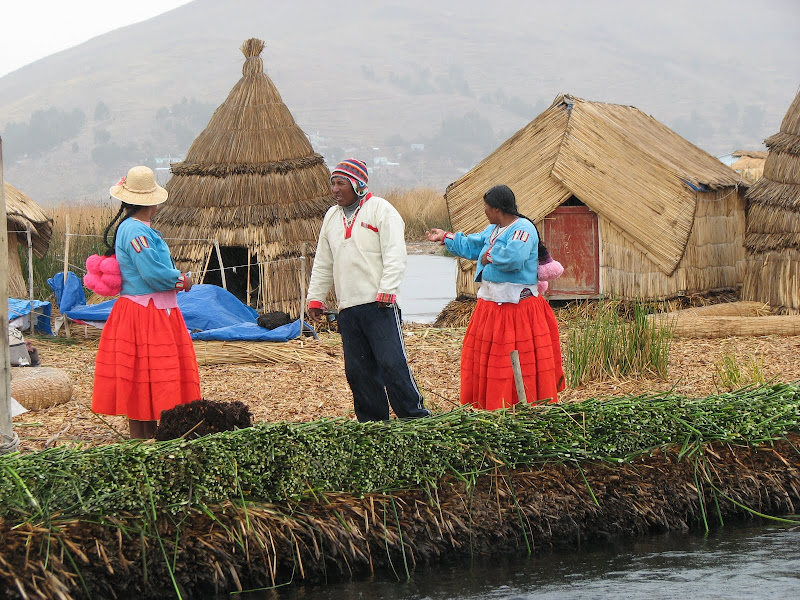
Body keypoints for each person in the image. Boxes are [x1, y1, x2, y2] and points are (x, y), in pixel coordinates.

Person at [307, 158, 430, 422]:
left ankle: (414, 417)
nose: (335, 189)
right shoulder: (331, 217)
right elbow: (323, 261)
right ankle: (373, 424)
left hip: (379, 305)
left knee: (391, 364)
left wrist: (388, 289)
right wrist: (315, 298)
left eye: (341, 183)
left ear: (358, 185)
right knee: (358, 371)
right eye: (333, 183)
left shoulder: (381, 210)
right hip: (348, 309)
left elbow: (395, 253)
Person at [426, 184, 565, 410]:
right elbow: (473, 245)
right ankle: (492, 404)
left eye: (486, 208)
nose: (485, 212)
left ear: (497, 209)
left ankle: (523, 403)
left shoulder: (523, 229)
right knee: (491, 360)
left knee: (515, 360)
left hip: (517, 309)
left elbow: (515, 257)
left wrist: (490, 255)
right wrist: (445, 237)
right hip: (492, 306)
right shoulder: (494, 229)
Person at [89, 166, 202, 439]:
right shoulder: (136, 232)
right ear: (153, 202)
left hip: (152, 309)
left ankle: (149, 432)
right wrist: (182, 280)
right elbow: (152, 273)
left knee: (147, 372)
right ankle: (144, 435)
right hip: (146, 312)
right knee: (148, 372)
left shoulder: (137, 228)